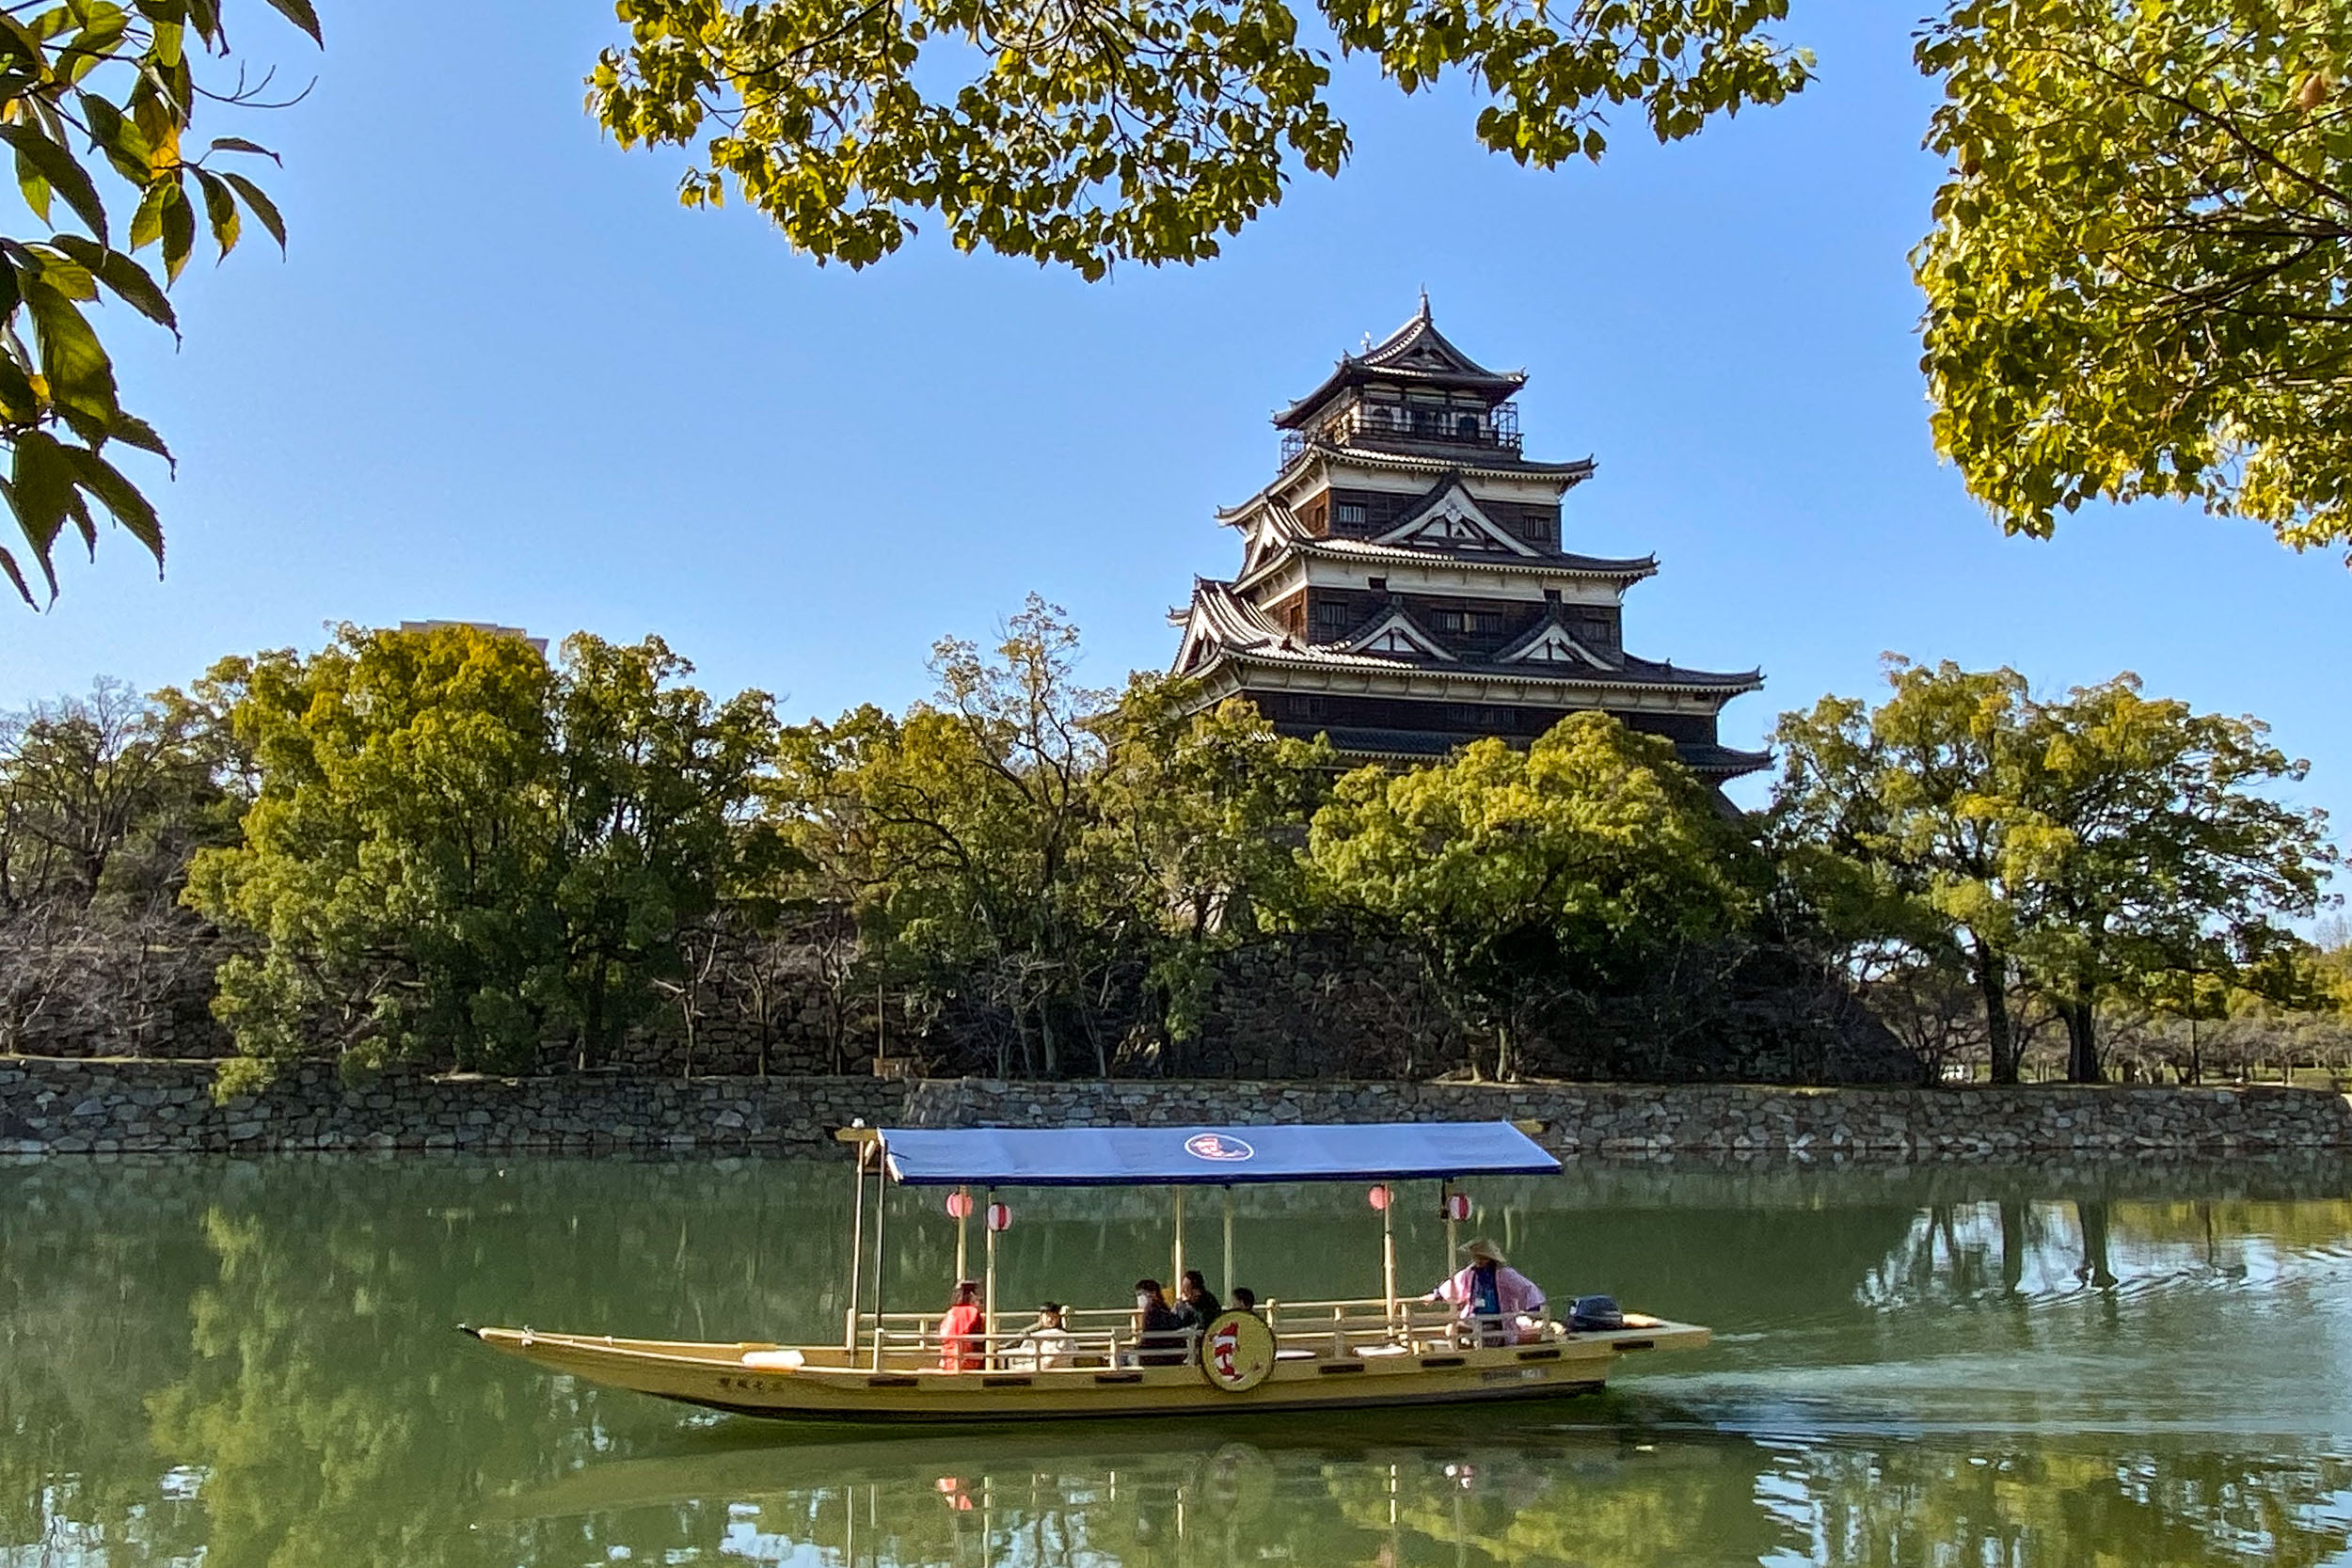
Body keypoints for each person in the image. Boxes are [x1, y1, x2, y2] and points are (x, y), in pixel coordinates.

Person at [1426, 1239, 1545, 1347]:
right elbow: (1455, 1285)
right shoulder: (1471, 1273)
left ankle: (1482, 1349)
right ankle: (1466, 1349)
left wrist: (1533, 1308)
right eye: (1477, 1257)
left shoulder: (1504, 1274)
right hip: (1473, 1318)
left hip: (1494, 1320)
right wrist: (1437, 1295)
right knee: (1452, 1329)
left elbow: (1524, 1288)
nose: (1479, 1261)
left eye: (1483, 1258)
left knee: (1486, 1334)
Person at [1132, 1278, 1189, 1366]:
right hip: (1167, 1355)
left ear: (1153, 1294)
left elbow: (1150, 1340)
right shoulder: (1163, 1311)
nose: (1139, 1298)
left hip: (1155, 1356)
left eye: (1141, 1294)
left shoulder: (1153, 1313)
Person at [1010, 1301, 1076, 1370]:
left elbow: (1047, 1362)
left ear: (1058, 1319)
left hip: (1049, 1370)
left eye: (1054, 1317)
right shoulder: (1034, 1332)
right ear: (1041, 1317)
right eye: (1047, 1316)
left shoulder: (1060, 1335)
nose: (1050, 1319)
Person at [938, 1280, 986, 1371]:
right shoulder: (973, 1313)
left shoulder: (951, 1312)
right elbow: (979, 1339)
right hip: (966, 1361)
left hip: (947, 1360)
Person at [1170, 1269, 1222, 1333]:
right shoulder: (1180, 1305)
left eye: (1188, 1289)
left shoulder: (1209, 1303)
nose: (1184, 1293)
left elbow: (1209, 1323)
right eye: (1184, 1289)